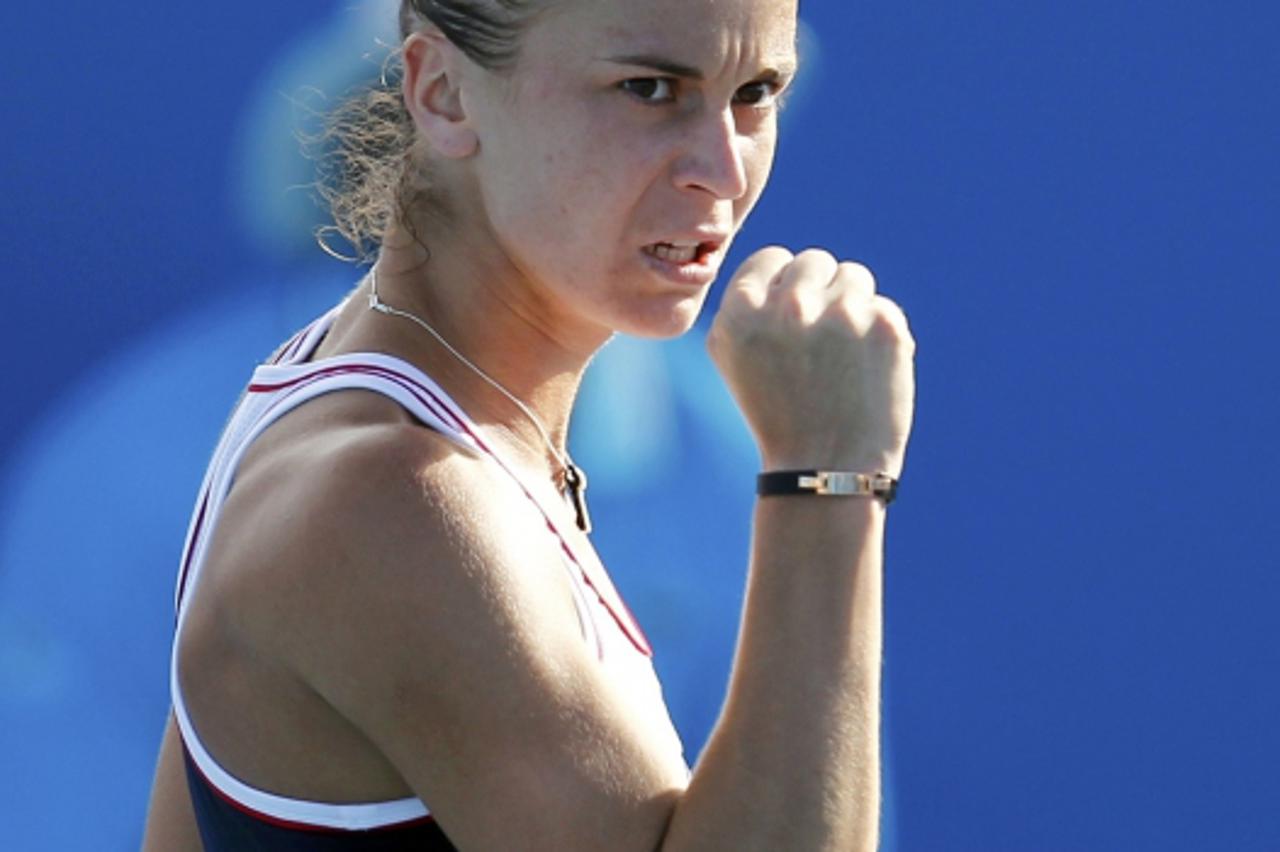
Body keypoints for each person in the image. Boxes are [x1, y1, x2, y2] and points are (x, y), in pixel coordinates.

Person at [141, 0, 916, 848]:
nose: (722, 171)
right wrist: (829, 474)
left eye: (756, 92)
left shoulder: (365, 405)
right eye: (649, 89)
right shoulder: (394, 498)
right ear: (442, 92)